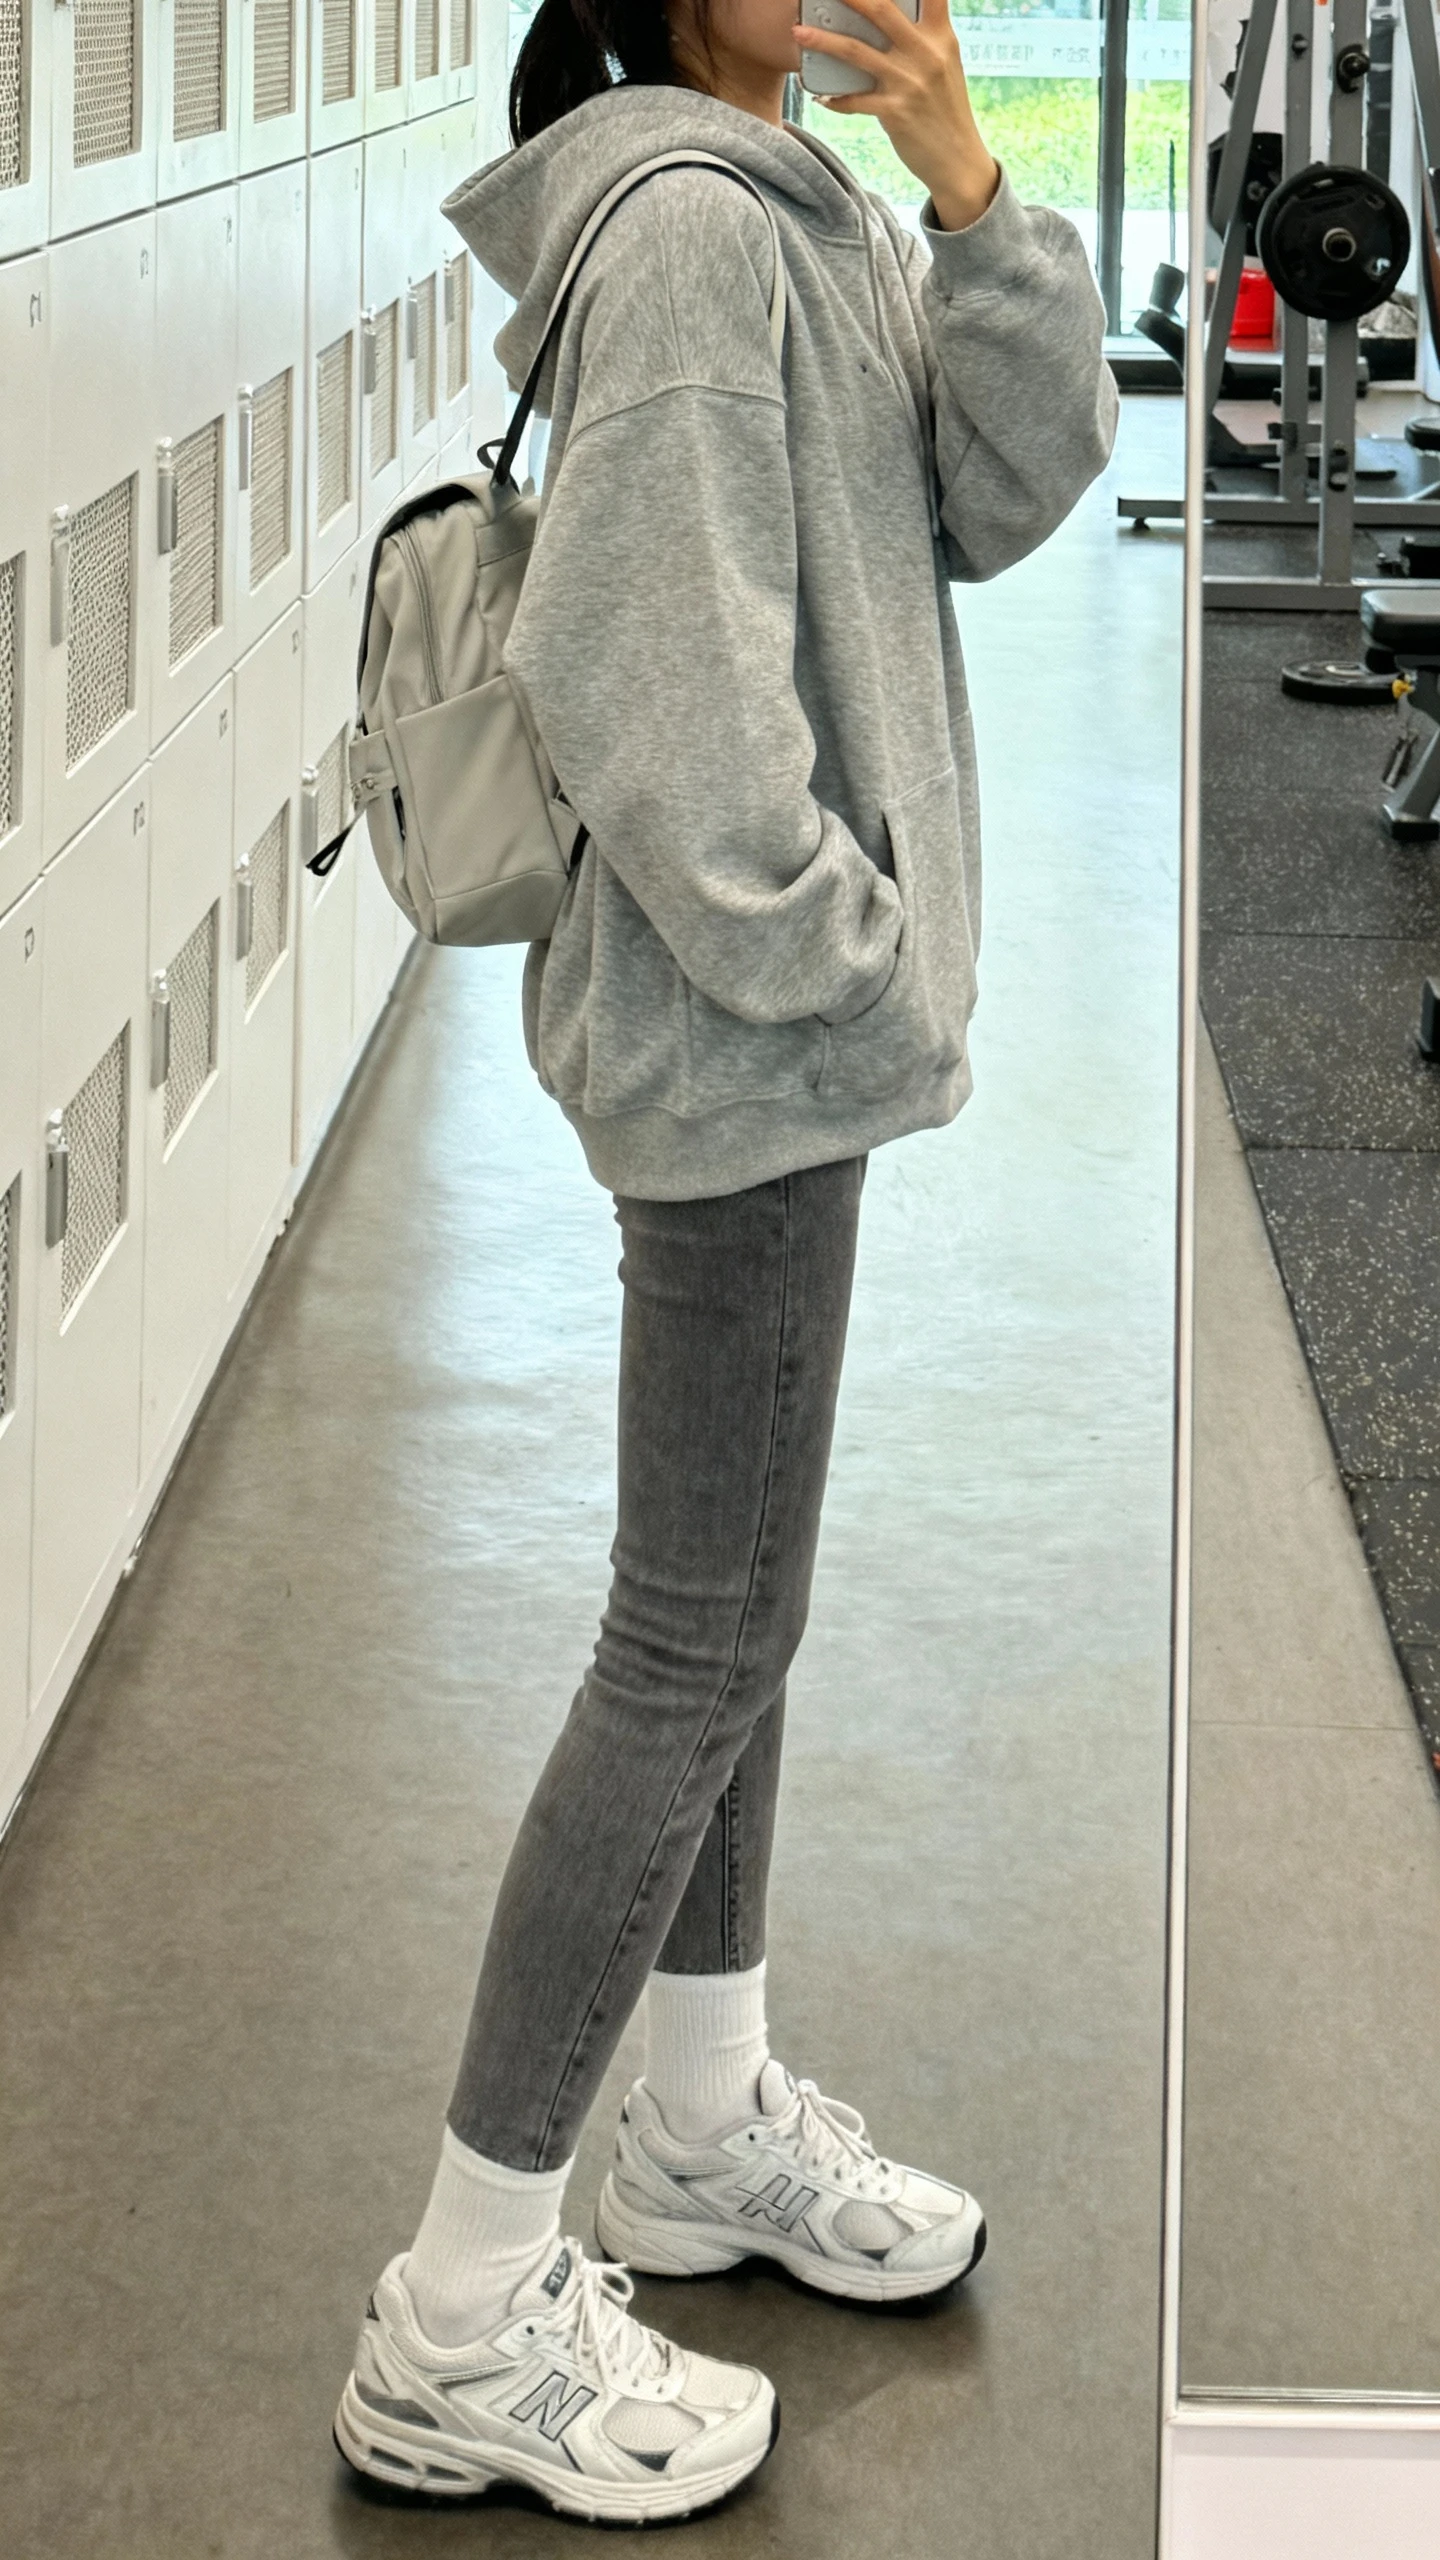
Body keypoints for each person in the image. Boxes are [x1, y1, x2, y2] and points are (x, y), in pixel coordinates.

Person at [334, 0, 1116, 2523]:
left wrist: (977, 194)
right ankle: (459, 2309)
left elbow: (1010, 494)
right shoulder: (686, 233)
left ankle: (692, 2125)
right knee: (689, 1636)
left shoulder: (810, 204)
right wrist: (851, 960)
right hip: (749, 1036)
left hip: (778, 1041)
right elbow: (660, 712)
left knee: (732, 1611)